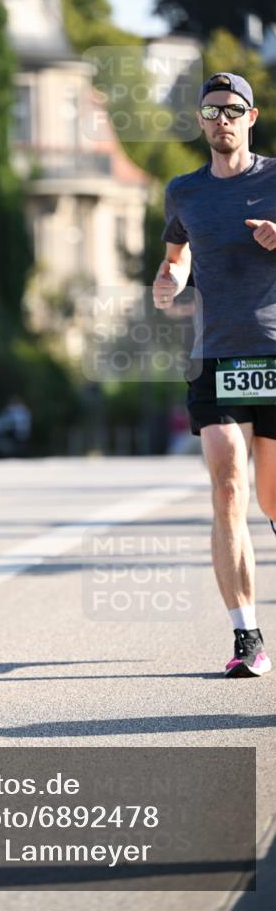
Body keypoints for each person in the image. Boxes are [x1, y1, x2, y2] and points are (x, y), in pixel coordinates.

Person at [152, 72, 276, 678]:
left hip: (274, 353)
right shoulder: (185, 192)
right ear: (201, 121)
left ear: (251, 118)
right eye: (211, 110)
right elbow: (176, 256)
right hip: (216, 356)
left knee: (273, 495)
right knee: (229, 488)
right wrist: (168, 280)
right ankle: (246, 634)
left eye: (233, 109)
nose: (221, 119)